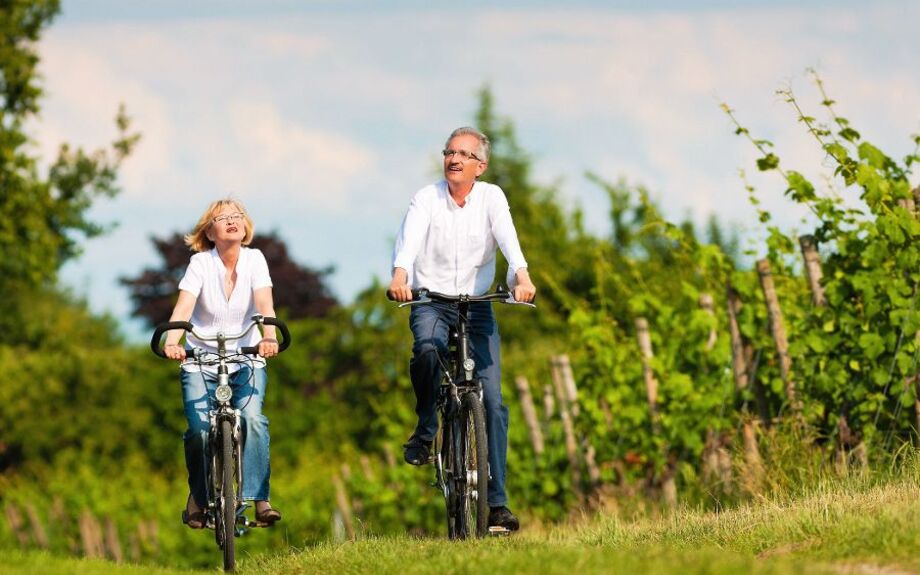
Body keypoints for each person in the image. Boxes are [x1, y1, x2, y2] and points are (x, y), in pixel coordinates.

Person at [387, 126, 537, 532]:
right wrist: (401, 276)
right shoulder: (426, 199)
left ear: (480, 165)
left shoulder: (492, 198)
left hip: (477, 306)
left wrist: (520, 276)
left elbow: (508, 240)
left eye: (463, 154)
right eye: (449, 152)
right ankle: (425, 426)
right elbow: (409, 243)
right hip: (431, 300)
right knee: (428, 350)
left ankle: (498, 505)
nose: (453, 159)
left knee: (491, 401)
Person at [162, 198, 282, 529]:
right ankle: (199, 497)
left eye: (237, 215)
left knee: (254, 420)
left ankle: (260, 498)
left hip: (246, 358)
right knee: (200, 432)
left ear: (245, 226)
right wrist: (173, 342)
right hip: (201, 362)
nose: (232, 220)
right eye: (222, 217)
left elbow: (264, 305)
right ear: (210, 232)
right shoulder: (200, 264)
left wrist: (268, 336)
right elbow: (183, 308)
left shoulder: (256, 259)